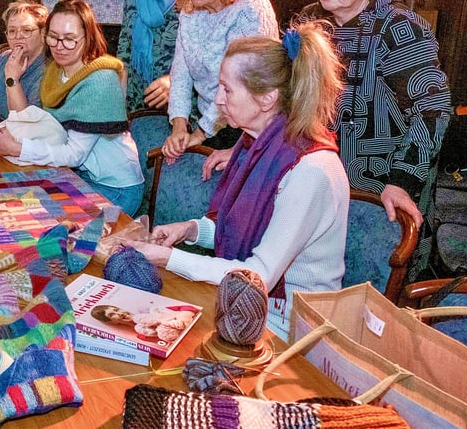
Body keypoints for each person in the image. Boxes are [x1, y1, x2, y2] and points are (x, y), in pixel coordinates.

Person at [119, 22, 350, 337]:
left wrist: (170, 258)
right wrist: (190, 230)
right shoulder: (255, 146)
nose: (217, 100)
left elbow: (259, 275)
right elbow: (237, 228)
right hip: (251, 307)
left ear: (266, 99)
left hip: (291, 329)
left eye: (227, 89)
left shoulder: (310, 170)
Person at [297, 0, 450, 230]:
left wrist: (402, 181)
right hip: (318, 173)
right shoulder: (311, 19)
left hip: (381, 186)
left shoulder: (399, 28)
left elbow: (433, 112)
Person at [0, 0, 144, 214]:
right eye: (53, 37)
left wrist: (18, 148)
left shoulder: (101, 80)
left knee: (43, 223)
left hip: (115, 188)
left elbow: (74, 155)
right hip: (77, 175)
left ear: (87, 37)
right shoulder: (56, 71)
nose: (60, 47)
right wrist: (12, 77)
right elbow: (34, 122)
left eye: (70, 39)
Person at [163, 0, 278, 162]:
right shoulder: (190, 12)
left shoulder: (249, 5)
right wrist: (178, 127)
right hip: (209, 123)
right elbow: (181, 75)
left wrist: (200, 133)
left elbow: (238, 80)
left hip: (249, 128)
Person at [0, 0, 49, 125]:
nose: (18, 36)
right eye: (12, 31)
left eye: (26, 30)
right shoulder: (2, 58)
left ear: (43, 33)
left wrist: (12, 77)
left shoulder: (48, 70)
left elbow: (25, 123)